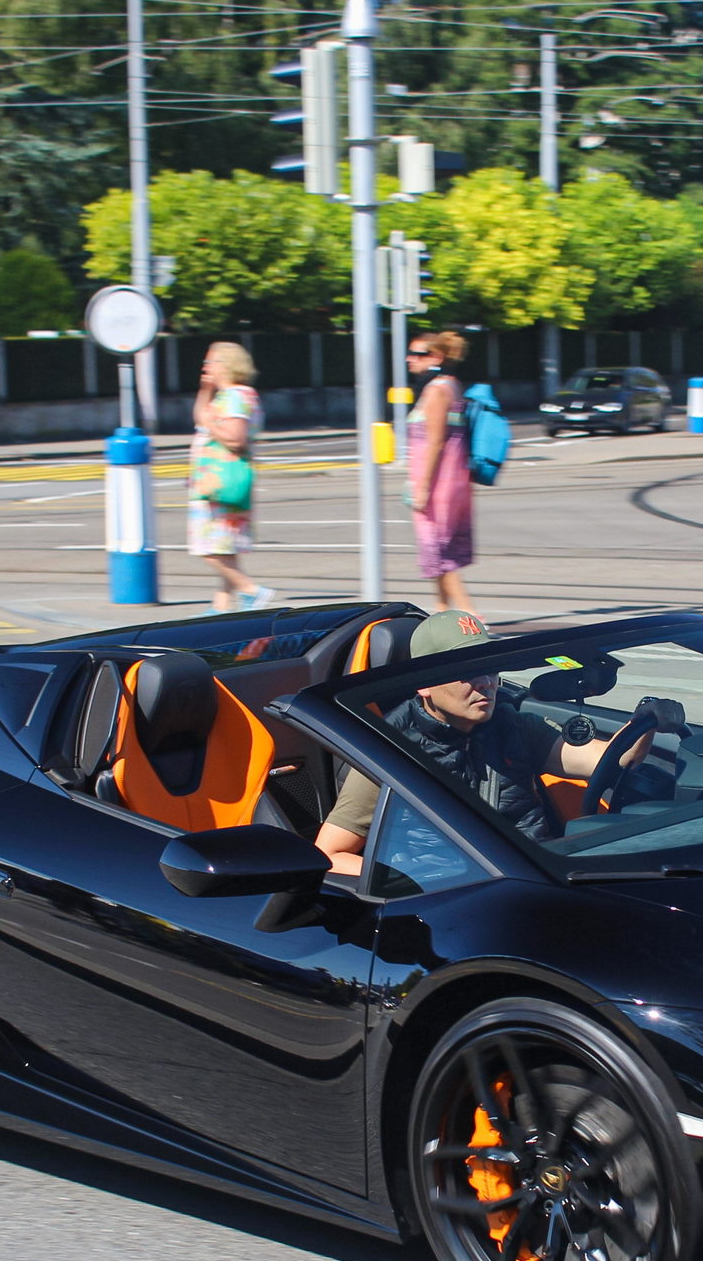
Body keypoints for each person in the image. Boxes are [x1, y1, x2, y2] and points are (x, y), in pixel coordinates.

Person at [313, 610, 657, 876]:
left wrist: (646, 719)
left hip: (537, 877)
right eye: (468, 672)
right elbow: (328, 854)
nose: (486, 683)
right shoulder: (388, 750)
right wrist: (410, 878)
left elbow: (614, 760)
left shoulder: (516, 725)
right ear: (423, 684)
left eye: (490, 668)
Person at [187, 340, 270, 612]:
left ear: (227, 366)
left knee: (209, 547)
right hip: (215, 482)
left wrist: (210, 422)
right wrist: (205, 390)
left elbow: (236, 439)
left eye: (211, 362)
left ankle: (251, 591)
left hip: (221, 483)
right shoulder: (227, 395)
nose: (205, 366)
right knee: (224, 547)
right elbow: (200, 417)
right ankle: (221, 608)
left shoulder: (236, 396)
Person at [406, 329, 477, 615]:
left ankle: (471, 615)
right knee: (439, 553)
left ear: (436, 357)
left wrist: (422, 487)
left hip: (437, 483)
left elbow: (436, 442)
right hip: (453, 479)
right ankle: (441, 609)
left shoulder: (436, 390)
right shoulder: (452, 385)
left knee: (439, 554)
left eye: (418, 354)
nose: (410, 359)